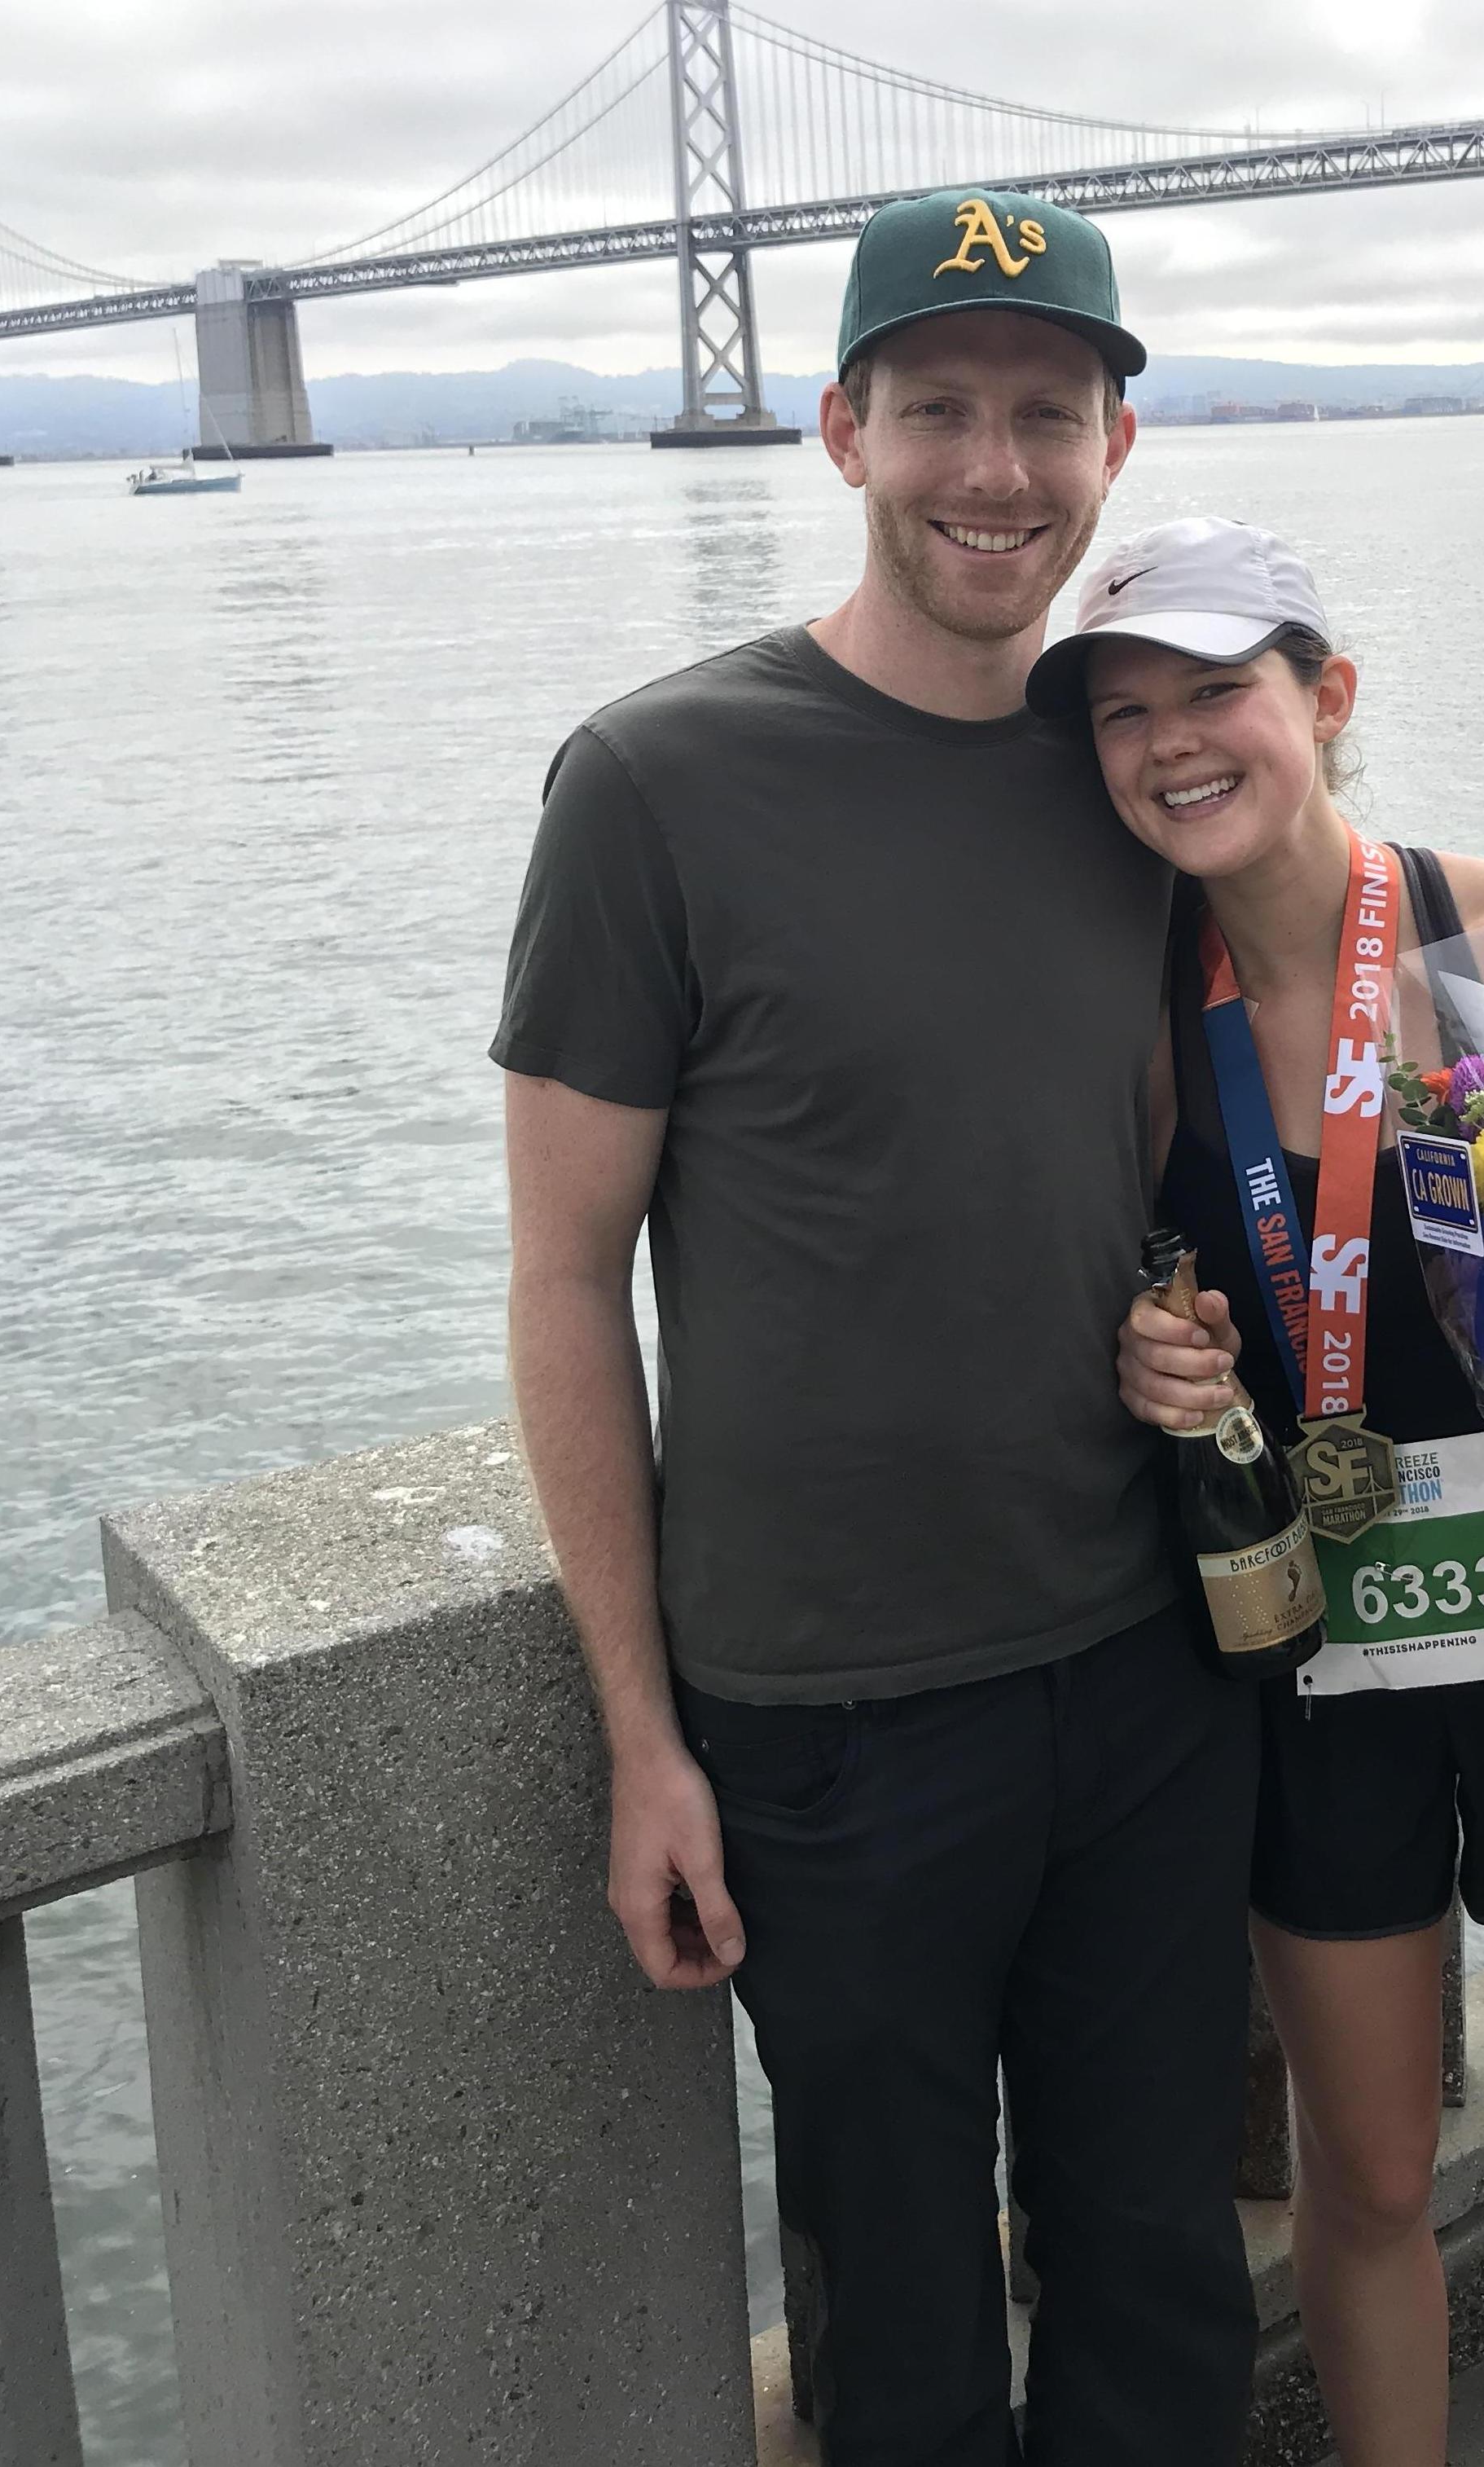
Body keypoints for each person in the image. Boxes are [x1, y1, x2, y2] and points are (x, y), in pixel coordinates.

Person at [490, 200, 1262, 2467]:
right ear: (843, 430)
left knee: (1155, 2278)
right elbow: (562, 1277)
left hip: (1140, 1664)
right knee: (900, 2332)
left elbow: (1158, 1138)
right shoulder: (653, 782)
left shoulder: (1132, 762)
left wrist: (1177, 1329)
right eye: (938, 407)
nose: (992, 468)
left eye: (1046, 413)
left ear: (1117, 444)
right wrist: (644, 1735)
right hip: (823, 1727)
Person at [1032, 517, 1484, 2467]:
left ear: (1324, 696)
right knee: (1362, 2183)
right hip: (1312, 1665)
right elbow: (1126, 1293)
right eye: (1124, 716)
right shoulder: (1124, 1022)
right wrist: (1155, 1360)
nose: (1172, 746)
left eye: (1216, 691)